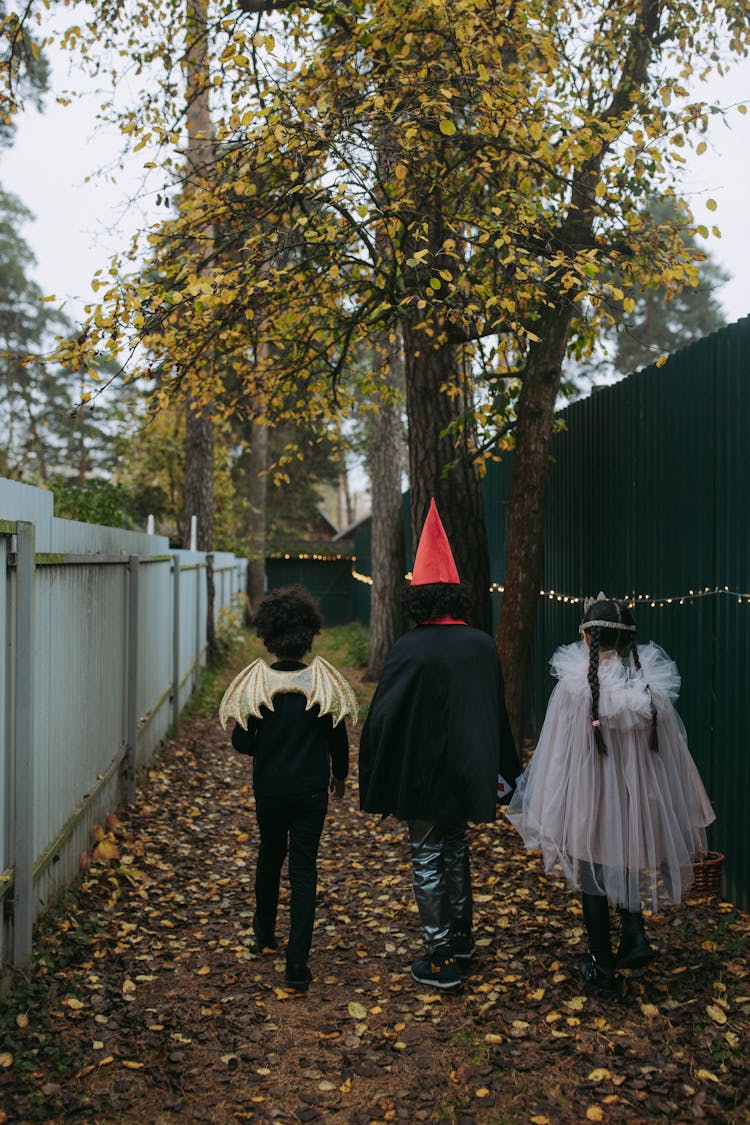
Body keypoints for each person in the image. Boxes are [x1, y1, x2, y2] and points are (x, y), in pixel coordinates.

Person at [506, 595, 716, 997]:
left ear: (587, 638)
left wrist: (553, 798)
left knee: (593, 879)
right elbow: (670, 752)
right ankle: (634, 936)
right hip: (634, 798)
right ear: (627, 641)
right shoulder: (649, 688)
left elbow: (560, 751)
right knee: (623, 858)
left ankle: (602, 968)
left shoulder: (575, 688)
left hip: (590, 797)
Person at [359, 499, 520, 991]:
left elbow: (384, 713)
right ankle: (463, 939)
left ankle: (441, 956)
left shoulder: (408, 647)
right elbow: (497, 711)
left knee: (427, 854)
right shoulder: (481, 644)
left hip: (424, 773)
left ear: (417, 599)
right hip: (469, 768)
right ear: (456, 594)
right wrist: (506, 769)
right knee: (455, 849)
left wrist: (372, 764)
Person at [219, 585, 358, 992]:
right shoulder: (320, 685)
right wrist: (341, 776)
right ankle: (297, 963)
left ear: (269, 638)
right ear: (309, 636)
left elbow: (242, 743)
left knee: (269, 855)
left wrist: (264, 739)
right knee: (303, 869)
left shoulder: (259, 688)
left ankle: (263, 934)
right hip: (312, 792)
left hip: (270, 791)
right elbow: (338, 737)